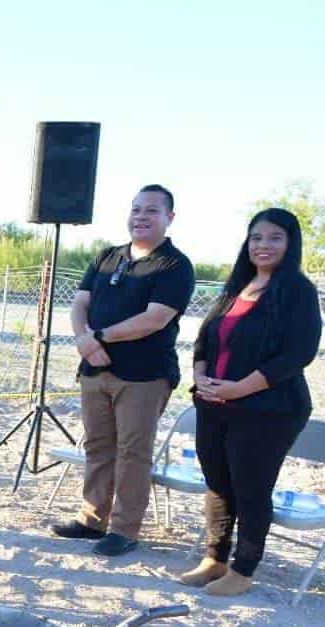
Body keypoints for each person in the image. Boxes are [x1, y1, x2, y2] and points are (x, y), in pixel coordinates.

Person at [179, 209, 322, 596]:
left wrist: (238, 389)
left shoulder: (297, 291)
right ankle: (215, 559)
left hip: (268, 411)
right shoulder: (237, 286)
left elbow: (297, 354)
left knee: (250, 487)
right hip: (215, 405)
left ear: (290, 243)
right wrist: (200, 376)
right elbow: (205, 338)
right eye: (256, 237)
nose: (263, 245)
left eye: (275, 237)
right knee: (217, 484)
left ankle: (243, 570)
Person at [52, 185, 195, 557]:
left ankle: (124, 528)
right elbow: (80, 304)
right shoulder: (106, 258)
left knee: (133, 451)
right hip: (94, 371)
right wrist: (85, 341)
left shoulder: (174, 266)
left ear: (169, 218)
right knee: (98, 445)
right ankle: (91, 519)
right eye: (135, 210)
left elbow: (155, 318)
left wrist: (97, 337)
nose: (141, 217)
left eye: (151, 211)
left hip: (144, 376)